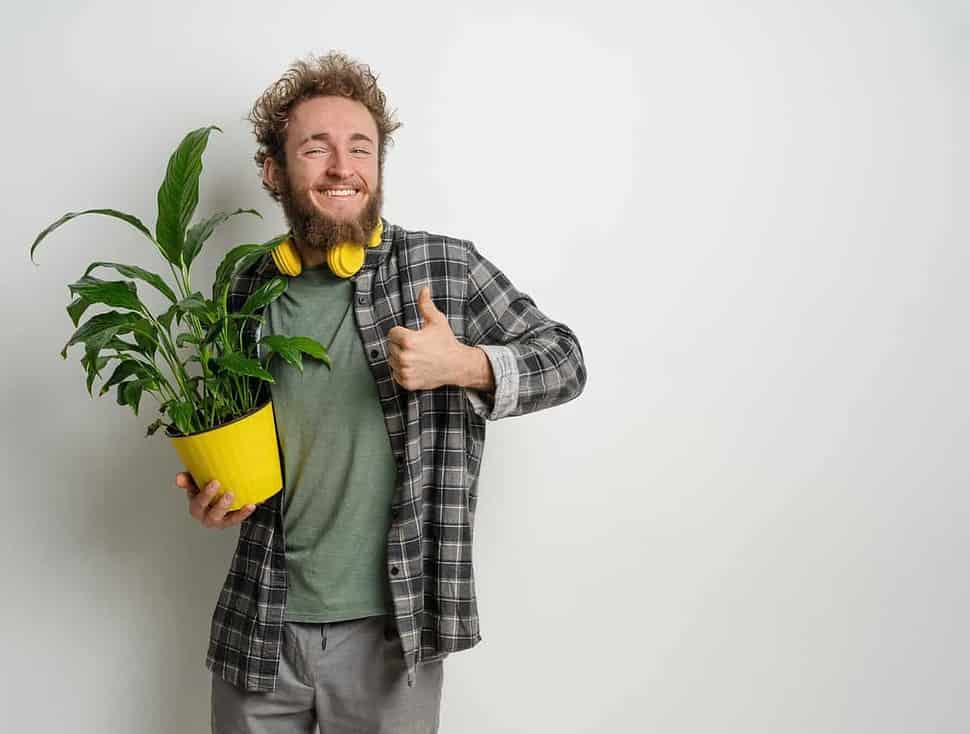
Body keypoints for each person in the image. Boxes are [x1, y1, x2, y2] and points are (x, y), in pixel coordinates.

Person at [175, 50, 587, 734]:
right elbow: (235, 438)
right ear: (274, 171)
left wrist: (466, 364)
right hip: (261, 624)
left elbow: (565, 360)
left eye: (360, 148)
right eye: (316, 148)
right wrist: (216, 496)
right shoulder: (244, 288)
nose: (343, 167)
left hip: (395, 634)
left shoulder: (445, 267)